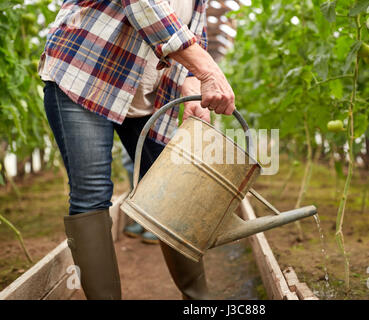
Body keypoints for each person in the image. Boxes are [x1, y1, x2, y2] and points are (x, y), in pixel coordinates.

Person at [38, 0, 235, 300]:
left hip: (150, 96)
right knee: (92, 193)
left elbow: (196, 26)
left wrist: (192, 80)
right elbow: (143, 4)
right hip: (86, 74)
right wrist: (207, 68)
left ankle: (200, 302)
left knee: (172, 194)